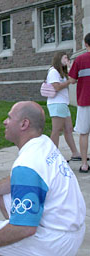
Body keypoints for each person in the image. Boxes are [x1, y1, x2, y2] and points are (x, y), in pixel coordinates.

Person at [0, 101, 86, 256]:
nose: (5, 121)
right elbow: (17, 181)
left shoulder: (28, 164)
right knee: (2, 195)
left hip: (57, 239)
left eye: (9, 118)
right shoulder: (44, 142)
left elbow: (26, 228)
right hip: (72, 226)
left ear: (24, 124)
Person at [46, 52, 81, 161]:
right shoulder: (53, 72)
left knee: (68, 129)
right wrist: (69, 81)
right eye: (65, 57)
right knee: (57, 130)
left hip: (63, 104)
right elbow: (56, 87)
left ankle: (75, 153)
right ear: (59, 59)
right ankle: (53, 154)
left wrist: (70, 70)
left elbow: (73, 80)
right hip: (56, 103)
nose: (67, 59)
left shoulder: (62, 72)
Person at [69, 32, 90, 173]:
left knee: (83, 133)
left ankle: (84, 164)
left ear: (85, 44)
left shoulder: (79, 59)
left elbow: (72, 80)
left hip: (85, 100)